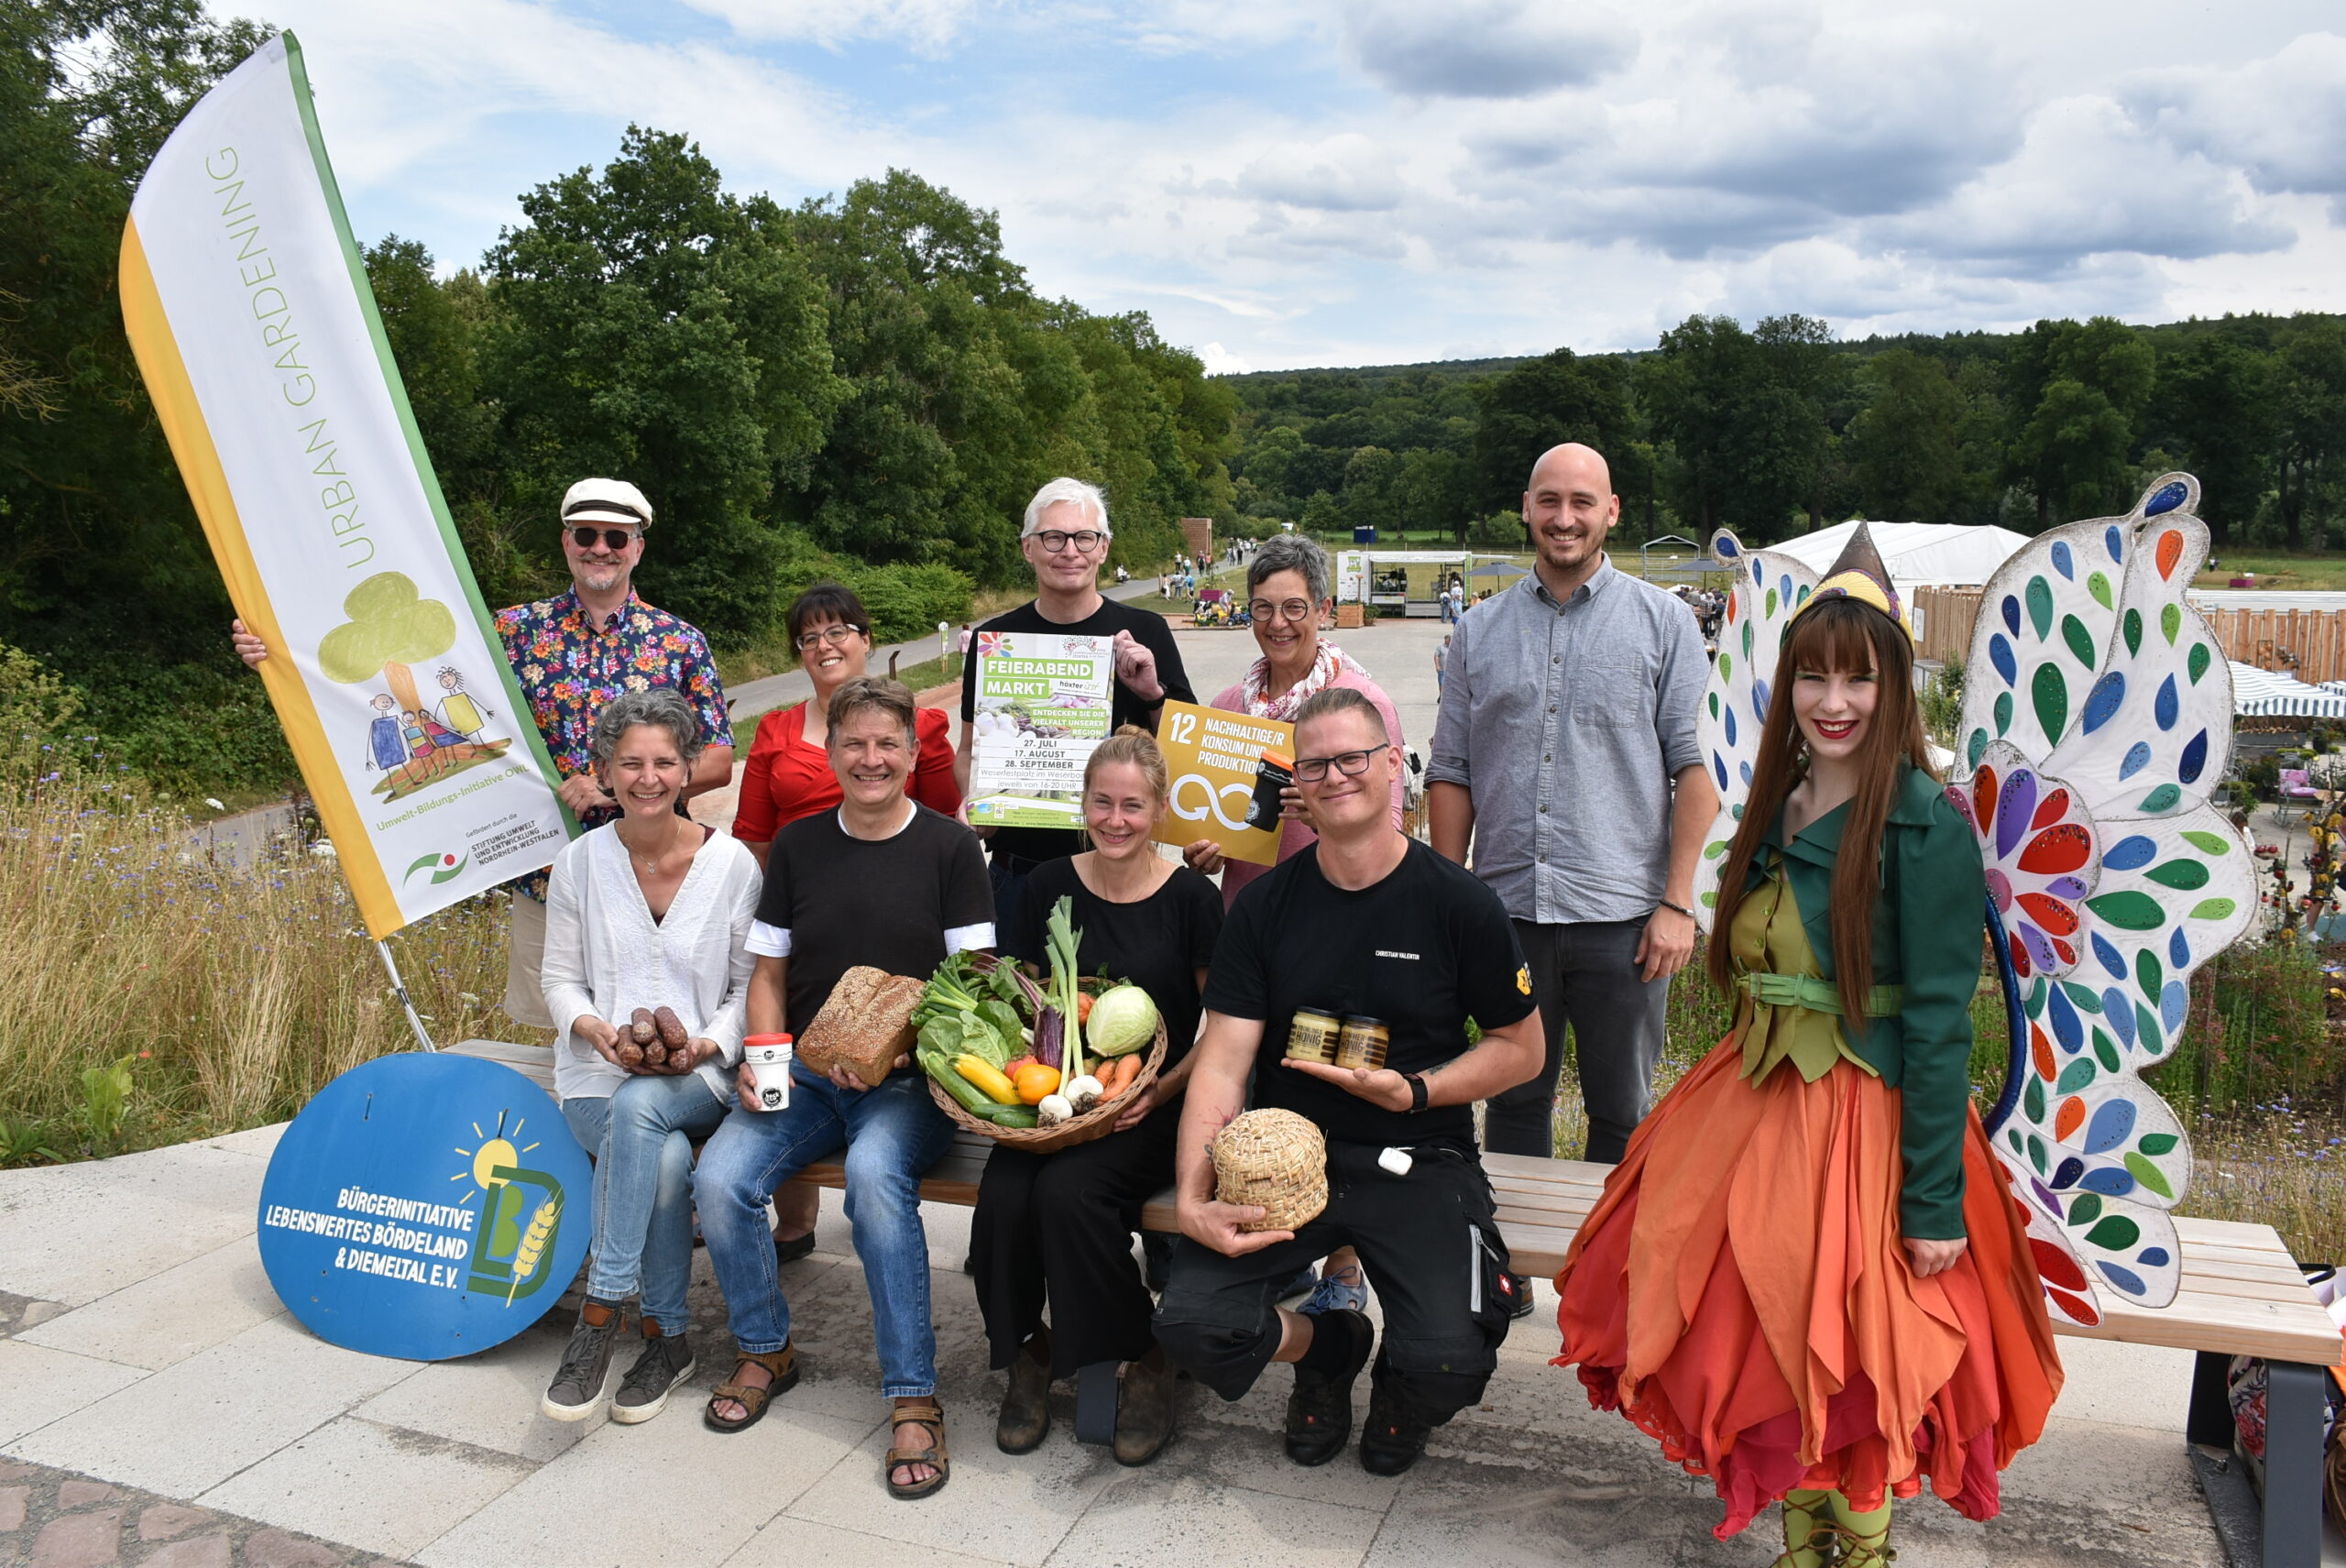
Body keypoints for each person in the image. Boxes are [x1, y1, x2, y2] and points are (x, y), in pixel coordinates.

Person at [1551, 533, 2062, 1565]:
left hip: (1863, 1124)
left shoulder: (1924, 823)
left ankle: (1860, 1550)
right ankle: (1798, 1543)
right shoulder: (1777, 803)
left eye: (1858, 677)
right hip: (1751, 1101)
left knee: (1856, 1351)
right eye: (1813, 675)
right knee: (1759, 1340)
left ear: (1895, 685)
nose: (1833, 701)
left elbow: (1938, 1024)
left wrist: (1932, 1204)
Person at [1153, 688, 1546, 1477]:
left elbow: (1523, 1049)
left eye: (1353, 758)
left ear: (1393, 763)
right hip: (1287, 1162)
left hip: (1418, 1154)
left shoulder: (1459, 902)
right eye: (1315, 764)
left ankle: (1404, 1383)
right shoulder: (1264, 906)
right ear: (1296, 780)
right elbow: (1223, 1061)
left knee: (1451, 1361)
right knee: (1193, 1326)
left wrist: (1418, 1091)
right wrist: (1193, 1195)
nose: (1334, 776)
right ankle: (1328, 1348)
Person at [231, 477, 735, 1032]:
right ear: (566, 542)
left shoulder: (679, 642)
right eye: (586, 534)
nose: (601, 549)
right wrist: (279, 652)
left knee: (666, 1022)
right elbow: (394, 670)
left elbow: (716, 759)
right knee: (560, 1028)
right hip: (548, 870)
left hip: (654, 874)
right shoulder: (509, 632)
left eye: (616, 538)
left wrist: (613, 786)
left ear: (637, 548)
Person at [696, 678, 992, 1500]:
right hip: (806, 1073)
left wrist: (901, 1053)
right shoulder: (798, 845)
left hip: (909, 1084)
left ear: (912, 753)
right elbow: (769, 972)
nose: (871, 758)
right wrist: (764, 1061)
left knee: (873, 1179)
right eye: (854, 743)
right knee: (719, 1180)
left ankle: (913, 1394)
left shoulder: (950, 848)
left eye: (887, 743)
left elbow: (972, 984)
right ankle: (765, 1349)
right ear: (830, 753)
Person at [1428, 444, 1715, 1176]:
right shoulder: (1478, 631)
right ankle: (1513, 1249)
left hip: (1626, 922)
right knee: (1514, 1099)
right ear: (1526, 508)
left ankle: (1607, 1249)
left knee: (1622, 1109)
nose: (1564, 518)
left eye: (1582, 502)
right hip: (1506, 915)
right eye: (1549, 500)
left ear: (1610, 512)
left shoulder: (1665, 624)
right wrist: (1442, 899)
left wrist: (1678, 902)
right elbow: (1452, 771)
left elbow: (1696, 770)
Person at [973, 729, 1222, 1466]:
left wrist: (1159, 1089)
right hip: (1056, 1101)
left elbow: (1222, 1030)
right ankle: (1028, 1350)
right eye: (1102, 802)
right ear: (1081, 803)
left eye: (1133, 805)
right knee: (1004, 1195)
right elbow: (1023, 1000)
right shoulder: (1048, 883)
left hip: (1153, 1106)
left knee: (1070, 1196)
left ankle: (1145, 1353)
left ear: (1160, 809)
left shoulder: (1191, 898)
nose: (1116, 819)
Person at [1178, 532, 1403, 1321]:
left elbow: (1392, 829)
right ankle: (1271, 1242)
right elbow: (1202, 820)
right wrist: (1200, 847)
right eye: (1264, 607)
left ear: (1323, 609)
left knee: (1331, 1085)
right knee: (1255, 1089)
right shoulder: (1229, 708)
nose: (1279, 623)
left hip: (1339, 926)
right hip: (1249, 925)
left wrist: (1329, 814)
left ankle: (1343, 1262)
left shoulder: (1361, 702)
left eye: (1295, 607)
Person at [536, 689, 760, 1426]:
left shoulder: (732, 866)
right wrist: (592, 1026)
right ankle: (666, 1336)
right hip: (595, 1073)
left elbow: (746, 988)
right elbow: (560, 979)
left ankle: (599, 1314)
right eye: (629, 762)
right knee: (660, 1157)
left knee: (643, 1107)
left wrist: (707, 1042)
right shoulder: (579, 862)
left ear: (689, 768)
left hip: (700, 1073)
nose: (648, 777)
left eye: (664, 761)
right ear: (604, 771)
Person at [733, 583, 962, 1265]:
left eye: (839, 631)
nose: (825, 645)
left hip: (896, 917)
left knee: (874, 1160)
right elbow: (753, 836)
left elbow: (945, 816)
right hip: (805, 902)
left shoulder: (921, 729)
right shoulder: (777, 732)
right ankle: (795, 1219)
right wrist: (804, 892)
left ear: (866, 638)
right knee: (800, 1054)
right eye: (809, 636)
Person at [958, 477, 1194, 932]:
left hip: (1123, 877)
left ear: (1103, 548)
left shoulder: (1146, 633)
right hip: (1019, 873)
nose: (1070, 551)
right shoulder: (995, 642)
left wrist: (1152, 693)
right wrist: (973, 802)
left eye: (1084, 537)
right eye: (1053, 537)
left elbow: (1183, 755)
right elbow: (968, 750)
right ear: (1028, 548)